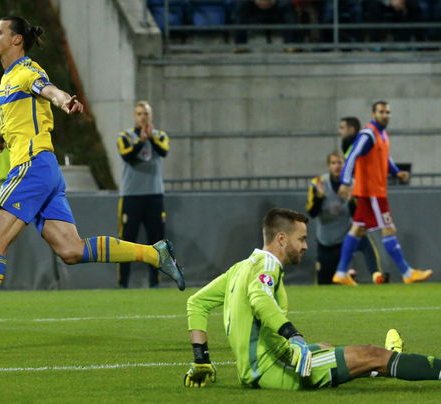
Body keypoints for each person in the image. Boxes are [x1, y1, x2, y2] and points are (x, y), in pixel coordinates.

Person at [0, 16, 185, 345]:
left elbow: (48, 90)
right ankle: (155, 255)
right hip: (45, 170)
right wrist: (0, 136)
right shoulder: (8, 79)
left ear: (16, 40)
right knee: (71, 250)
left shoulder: (28, 71)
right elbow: (23, 115)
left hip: (31, 168)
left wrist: (64, 100)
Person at [183, 208, 441, 390]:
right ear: (282, 239)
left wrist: (201, 360)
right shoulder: (267, 266)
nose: (306, 246)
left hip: (253, 370)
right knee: (372, 354)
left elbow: (196, 303)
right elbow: (260, 299)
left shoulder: (240, 268)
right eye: (302, 239)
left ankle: (384, 362)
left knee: (325, 347)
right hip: (278, 369)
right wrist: (293, 336)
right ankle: (395, 360)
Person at [332, 101, 432, 285]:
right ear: (373, 114)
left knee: (357, 229)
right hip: (372, 192)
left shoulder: (382, 134)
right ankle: (407, 273)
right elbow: (352, 156)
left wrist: (395, 172)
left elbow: (385, 157)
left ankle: (341, 272)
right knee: (388, 228)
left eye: (388, 112)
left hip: (373, 191)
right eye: (381, 111)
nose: (385, 115)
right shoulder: (368, 133)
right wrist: (345, 182)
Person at [306, 151, 385, 285]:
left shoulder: (354, 184)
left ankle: (376, 274)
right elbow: (312, 213)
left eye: (340, 163)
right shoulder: (318, 183)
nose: (337, 166)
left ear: (346, 165)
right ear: (328, 166)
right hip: (327, 241)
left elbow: (357, 217)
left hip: (346, 238)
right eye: (333, 163)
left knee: (363, 238)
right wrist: (319, 197)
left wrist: (351, 199)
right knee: (324, 283)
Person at [116, 101, 169, 288]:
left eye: (145, 113)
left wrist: (150, 138)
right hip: (131, 196)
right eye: (139, 113)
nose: (142, 117)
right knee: (126, 241)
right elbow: (126, 156)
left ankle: (155, 282)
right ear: (134, 116)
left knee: (156, 241)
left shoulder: (160, 136)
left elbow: (164, 151)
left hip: (154, 195)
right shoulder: (125, 136)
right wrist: (141, 140)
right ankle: (123, 283)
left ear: (150, 115)